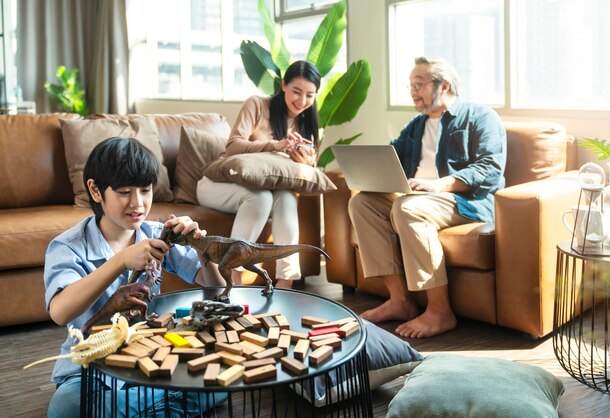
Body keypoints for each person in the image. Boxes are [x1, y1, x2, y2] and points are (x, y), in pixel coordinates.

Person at [44, 137, 226, 417]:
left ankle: (128, 409)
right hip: (90, 369)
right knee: (66, 408)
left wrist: (201, 248)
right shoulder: (67, 246)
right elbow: (59, 311)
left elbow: (217, 288)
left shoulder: (156, 234)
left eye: (145, 190)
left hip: (152, 360)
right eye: (124, 192)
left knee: (220, 382)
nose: (138, 203)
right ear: (95, 190)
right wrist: (120, 261)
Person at [348, 56, 506, 338]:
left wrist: (439, 185)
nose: (412, 92)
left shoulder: (481, 116)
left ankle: (440, 311)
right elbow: (392, 156)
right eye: (410, 85)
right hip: (419, 196)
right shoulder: (417, 125)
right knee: (362, 203)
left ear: (443, 85)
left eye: (418, 85)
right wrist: (370, 170)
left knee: (406, 208)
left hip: (465, 201)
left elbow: (490, 168)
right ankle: (399, 301)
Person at [197, 60, 320, 289]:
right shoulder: (257, 105)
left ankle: (286, 281)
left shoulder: (306, 125)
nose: (302, 101)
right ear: (283, 85)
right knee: (261, 197)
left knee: (286, 197)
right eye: (296, 92)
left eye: (310, 95)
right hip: (218, 185)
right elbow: (232, 146)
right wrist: (275, 145)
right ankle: (233, 277)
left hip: (266, 191)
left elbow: (295, 178)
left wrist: (306, 165)